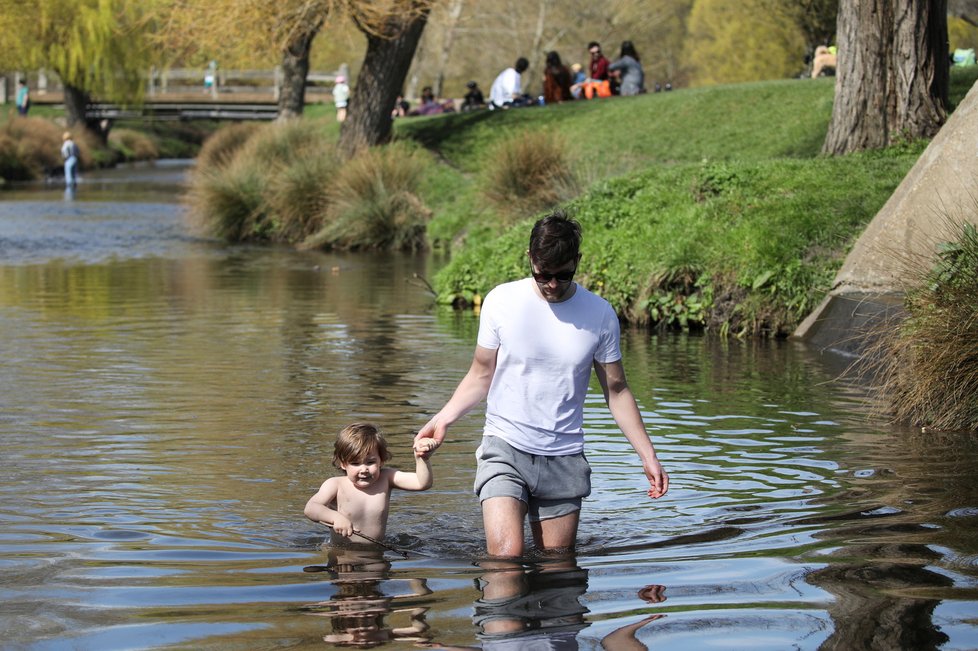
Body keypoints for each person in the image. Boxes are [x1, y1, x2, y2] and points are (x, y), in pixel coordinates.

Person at [415, 211, 669, 558]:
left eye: (563, 275)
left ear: (577, 262)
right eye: (543, 275)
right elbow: (480, 374)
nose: (552, 284)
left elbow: (617, 390)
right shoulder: (501, 302)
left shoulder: (600, 314)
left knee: (557, 570)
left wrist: (648, 455)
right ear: (530, 258)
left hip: (563, 457)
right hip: (505, 447)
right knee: (505, 560)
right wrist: (442, 419)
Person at [304, 423, 435, 544]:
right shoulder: (335, 485)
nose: (364, 469)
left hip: (377, 551)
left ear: (381, 460)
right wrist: (335, 518)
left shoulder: (386, 478)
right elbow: (311, 508)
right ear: (343, 463)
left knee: (377, 569)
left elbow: (421, 483)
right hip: (343, 554)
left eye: (370, 462)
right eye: (355, 463)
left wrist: (422, 457)